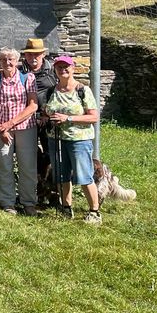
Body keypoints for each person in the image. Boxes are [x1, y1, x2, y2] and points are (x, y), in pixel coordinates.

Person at [42, 55, 102, 224]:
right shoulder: (52, 91)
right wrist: (47, 118)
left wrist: (68, 119)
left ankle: (94, 211)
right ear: (55, 70)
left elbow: (93, 117)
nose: (63, 70)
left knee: (84, 176)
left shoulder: (82, 90)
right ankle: (66, 208)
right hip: (56, 139)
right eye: (59, 67)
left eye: (66, 66)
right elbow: (47, 111)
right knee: (61, 176)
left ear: (73, 68)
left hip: (79, 140)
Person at [0, 47, 39, 216]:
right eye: (3, 59)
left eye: (10, 59)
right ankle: (8, 202)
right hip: (1, 130)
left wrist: (10, 123)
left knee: (28, 167)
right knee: (4, 166)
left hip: (25, 129)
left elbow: (33, 105)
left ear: (17, 61)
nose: (7, 63)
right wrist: (0, 127)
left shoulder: (28, 78)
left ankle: (28, 202)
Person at [20, 37, 58, 205]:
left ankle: (54, 193)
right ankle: (34, 193)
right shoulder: (19, 71)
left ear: (43, 54)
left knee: (52, 157)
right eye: (29, 54)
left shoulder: (53, 71)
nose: (33, 58)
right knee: (30, 156)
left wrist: (46, 115)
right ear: (25, 55)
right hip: (27, 120)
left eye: (36, 54)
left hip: (49, 121)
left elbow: (59, 95)